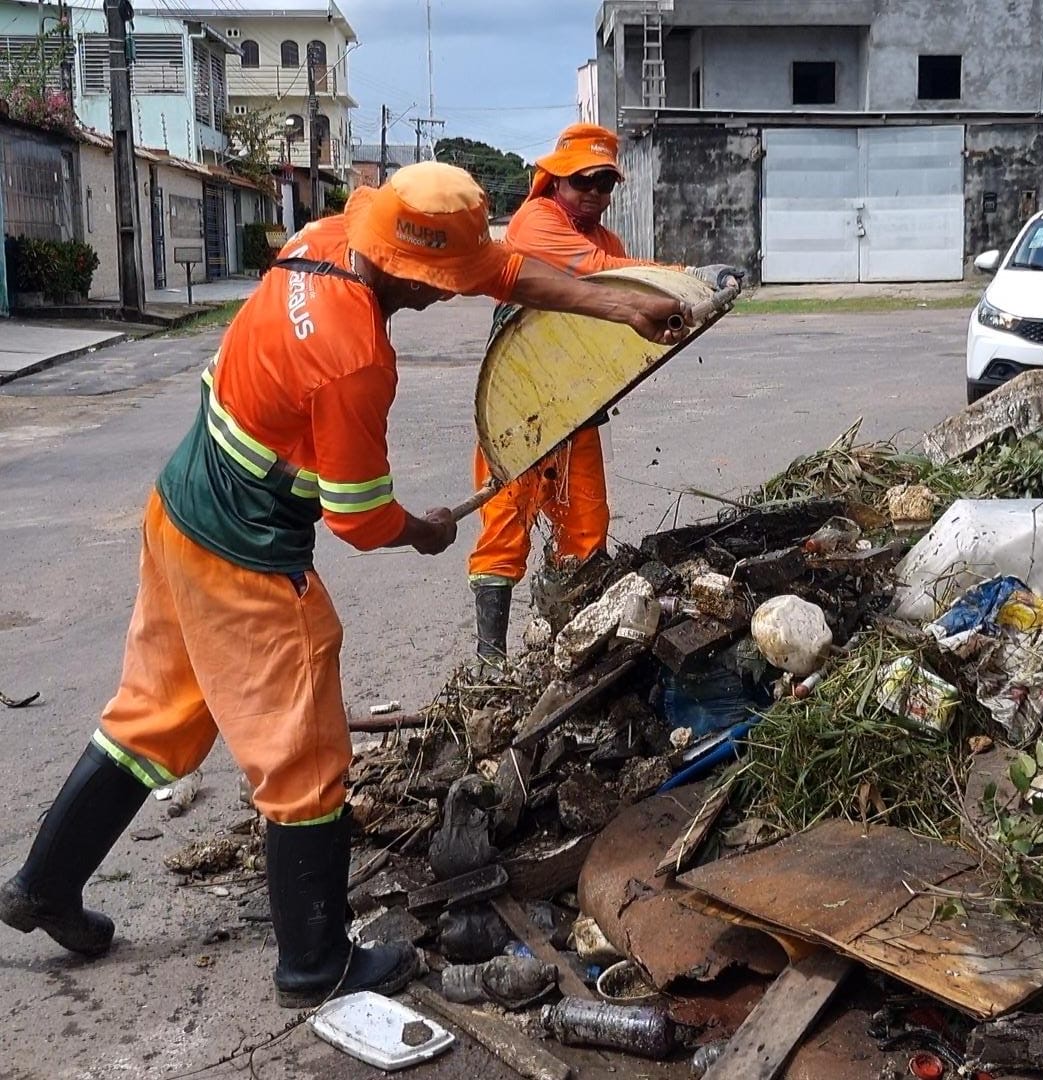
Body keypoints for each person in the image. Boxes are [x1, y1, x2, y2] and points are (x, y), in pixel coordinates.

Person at [0, 161, 689, 1008]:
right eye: (437, 286)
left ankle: (42, 886)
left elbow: (499, 269)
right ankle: (314, 965)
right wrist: (427, 530)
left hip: (178, 508)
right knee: (304, 757)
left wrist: (623, 303)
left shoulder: (330, 239)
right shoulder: (352, 353)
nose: (448, 297)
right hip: (243, 555)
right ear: (404, 267)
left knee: (155, 715)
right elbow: (358, 517)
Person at [467, 123, 742, 666]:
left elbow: (626, 304)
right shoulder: (536, 223)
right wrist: (689, 272)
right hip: (520, 406)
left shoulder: (606, 240)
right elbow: (602, 275)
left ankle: (569, 651)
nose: (594, 193)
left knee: (586, 529)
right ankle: (490, 667)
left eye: (604, 184)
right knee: (504, 527)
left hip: (577, 406)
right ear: (555, 182)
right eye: (582, 181)